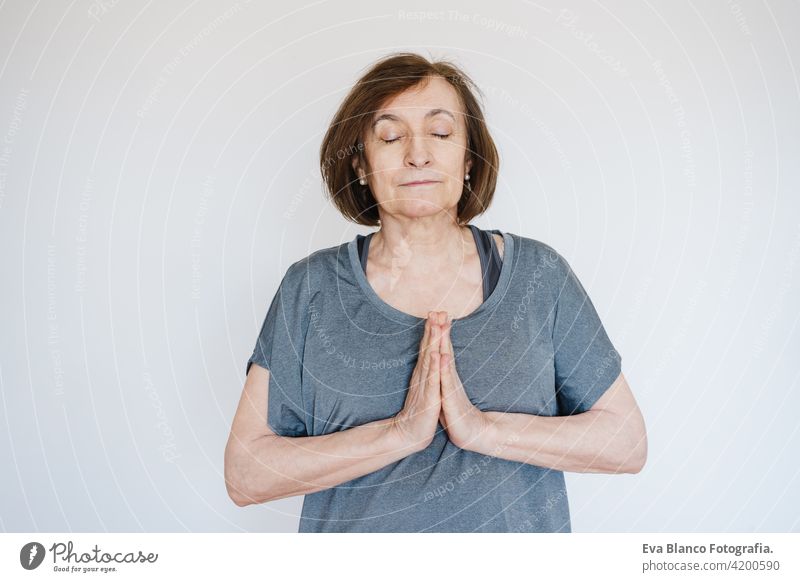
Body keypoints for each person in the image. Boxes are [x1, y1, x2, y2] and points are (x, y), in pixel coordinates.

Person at [224, 52, 647, 532]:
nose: (417, 153)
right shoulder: (310, 289)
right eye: (390, 135)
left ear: (468, 158)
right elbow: (245, 474)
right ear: (361, 165)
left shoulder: (539, 277)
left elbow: (625, 443)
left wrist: (482, 429)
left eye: (441, 133)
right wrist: (399, 434)